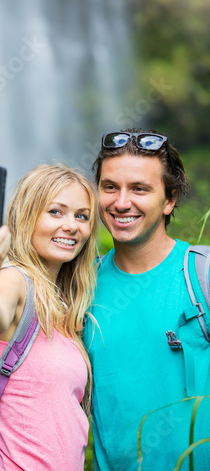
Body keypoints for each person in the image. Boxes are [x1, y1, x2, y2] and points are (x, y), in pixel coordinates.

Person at [83, 129, 210, 471]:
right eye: (110, 187)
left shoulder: (201, 275)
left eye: (139, 189)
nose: (121, 202)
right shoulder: (80, 288)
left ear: (169, 200)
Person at [0, 163, 99, 470]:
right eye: (55, 211)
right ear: (27, 216)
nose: (72, 225)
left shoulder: (62, 304)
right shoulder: (13, 280)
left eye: (82, 215)